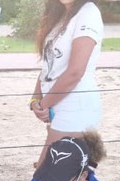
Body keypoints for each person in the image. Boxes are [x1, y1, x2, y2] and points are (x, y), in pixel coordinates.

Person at [29, 0, 103, 166]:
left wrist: (44, 105)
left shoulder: (88, 13)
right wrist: (35, 98)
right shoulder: (60, 15)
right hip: (57, 104)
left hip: (75, 107)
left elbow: (75, 72)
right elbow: (49, 66)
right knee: (67, 178)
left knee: (48, 176)